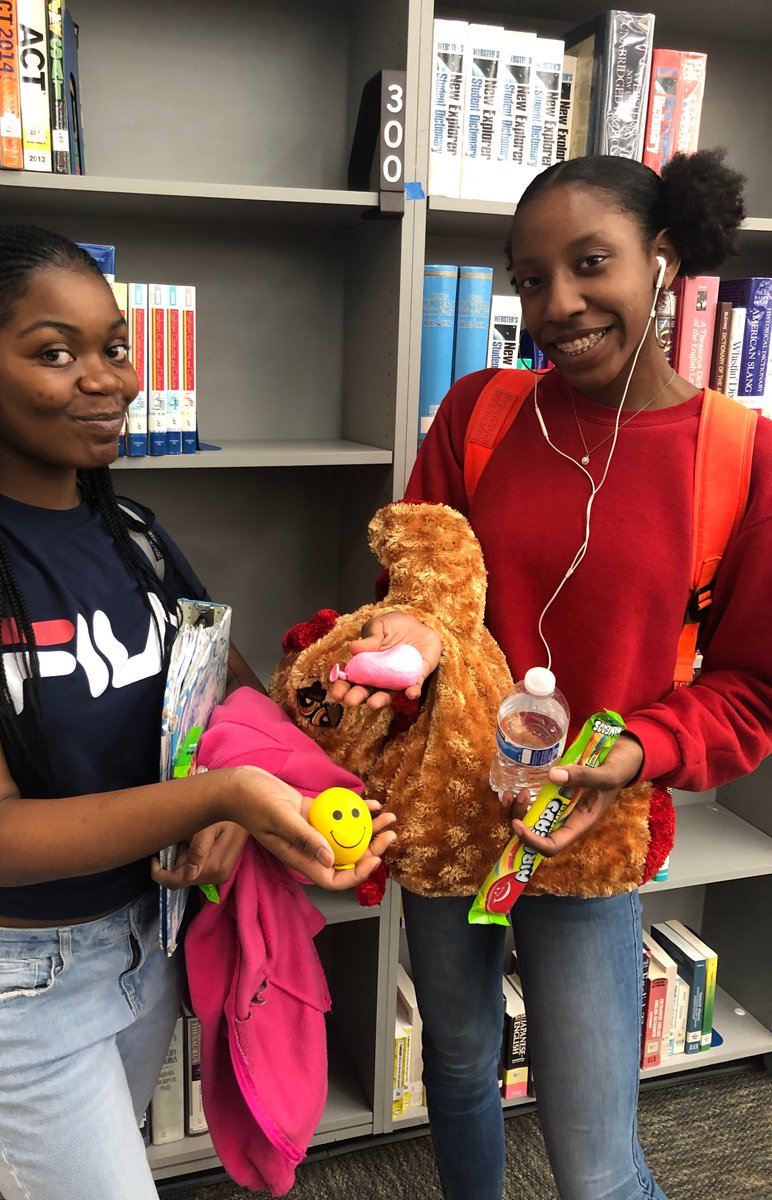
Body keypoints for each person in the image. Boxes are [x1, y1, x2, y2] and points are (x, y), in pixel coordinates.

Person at [0, 224, 395, 1200]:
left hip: (143, 943)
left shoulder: (137, 539)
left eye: (112, 346)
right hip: (15, 982)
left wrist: (241, 799)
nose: (105, 377)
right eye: (54, 353)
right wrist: (221, 799)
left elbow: (230, 703)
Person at [331, 150, 772, 1200]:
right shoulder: (479, 413)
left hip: (588, 829)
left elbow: (752, 686)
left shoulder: (737, 455)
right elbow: (417, 582)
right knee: (457, 1063)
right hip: (452, 811)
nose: (558, 304)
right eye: (531, 279)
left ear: (664, 259)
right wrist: (393, 647)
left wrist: (636, 754)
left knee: (595, 1159)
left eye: (591, 265)